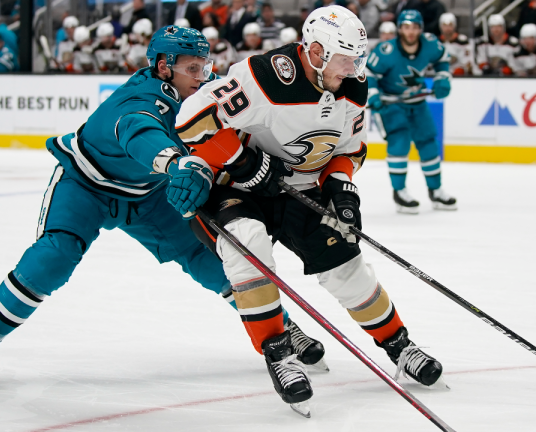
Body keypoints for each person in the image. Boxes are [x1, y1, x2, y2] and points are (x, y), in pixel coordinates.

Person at [0, 25, 324, 390]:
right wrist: (176, 164)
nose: (202, 76)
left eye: (204, 66)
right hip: (86, 184)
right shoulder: (141, 99)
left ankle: (282, 328)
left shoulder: (200, 92)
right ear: (164, 66)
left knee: (210, 259)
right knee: (54, 256)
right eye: (192, 68)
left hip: (148, 195)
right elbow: (139, 132)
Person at [173, 6, 446, 415]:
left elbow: (349, 151)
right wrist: (243, 162)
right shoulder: (264, 77)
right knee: (248, 247)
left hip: (298, 189)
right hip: (238, 189)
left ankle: (398, 345)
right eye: (346, 59)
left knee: (346, 266)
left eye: (357, 59)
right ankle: (279, 354)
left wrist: (342, 190)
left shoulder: (353, 86)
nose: (354, 69)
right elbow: (191, 119)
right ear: (317, 52)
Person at [366, 9, 456, 213]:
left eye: (415, 27)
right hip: (392, 104)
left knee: (428, 143)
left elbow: (443, 58)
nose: (411, 32)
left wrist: (443, 77)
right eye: (406, 27)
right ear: (400, 29)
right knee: (399, 144)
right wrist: (373, 93)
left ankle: (436, 190)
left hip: (417, 102)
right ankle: (399, 192)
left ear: (421, 29)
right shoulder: (386, 50)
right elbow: (369, 72)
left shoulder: (430, 44)